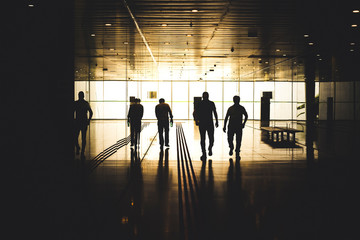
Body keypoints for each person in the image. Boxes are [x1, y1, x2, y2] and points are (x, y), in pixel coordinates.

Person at [196, 92, 219, 161]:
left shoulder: (201, 103)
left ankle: (207, 150)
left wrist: (197, 120)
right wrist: (216, 121)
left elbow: (214, 112)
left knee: (206, 138)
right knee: (207, 138)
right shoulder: (210, 103)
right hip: (208, 123)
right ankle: (206, 151)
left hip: (204, 123)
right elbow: (214, 112)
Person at [74, 91, 93, 157]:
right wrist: (89, 120)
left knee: (75, 136)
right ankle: (82, 151)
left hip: (77, 122)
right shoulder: (86, 103)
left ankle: (78, 147)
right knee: (83, 137)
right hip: (84, 122)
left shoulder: (76, 103)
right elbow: (91, 112)